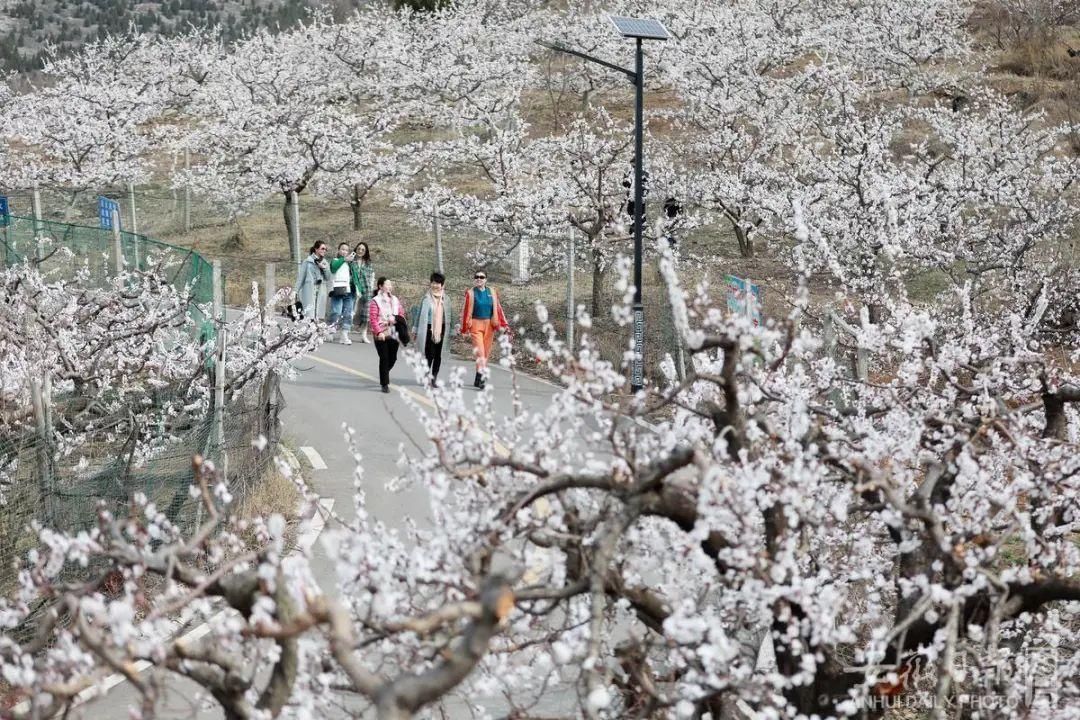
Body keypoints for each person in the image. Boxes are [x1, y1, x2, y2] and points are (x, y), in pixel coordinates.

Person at [459, 270, 509, 389]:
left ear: (486, 279)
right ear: (474, 279)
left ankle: (477, 378)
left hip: (489, 325)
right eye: (477, 277)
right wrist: (464, 328)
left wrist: (504, 324)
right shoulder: (471, 293)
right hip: (476, 325)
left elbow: (498, 309)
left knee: (485, 354)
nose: (479, 279)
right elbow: (465, 311)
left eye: (482, 277)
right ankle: (481, 379)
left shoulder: (492, 292)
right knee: (480, 352)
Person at [413, 272, 452, 387]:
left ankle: (434, 378)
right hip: (428, 328)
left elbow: (450, 314)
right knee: (429, 354)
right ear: (431, 283)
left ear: (442, 285)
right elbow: (419, 314)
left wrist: (454, 329)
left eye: (438, 283)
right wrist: (415, 329)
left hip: (442, 329)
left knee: (438, 355)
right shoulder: (426, 298)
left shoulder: (447, 299)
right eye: (433, 283)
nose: (435, 285)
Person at [369, 277, 405, 393]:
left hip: (394, 332)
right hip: (381, 334)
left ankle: (384, 373)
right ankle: (384, 383)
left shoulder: (395, 300)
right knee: (384, 358)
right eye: (387, 284)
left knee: (393, 358)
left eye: (390, 285)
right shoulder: (375, 301)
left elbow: (401, 314)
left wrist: (397, 320)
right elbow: (373, 319)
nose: (389, 287)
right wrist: (378, 332)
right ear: (380, 286)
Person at [327, 242, 361, 344]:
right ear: (338, 250)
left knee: (348, 313)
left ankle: (344, 335)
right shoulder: (335, 260)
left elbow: (355, 277)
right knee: (336, 311)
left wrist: (359, 289)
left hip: (349, 291)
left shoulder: (351, 263)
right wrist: (344, 259)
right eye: (342, 249)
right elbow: (333, 268)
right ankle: (330, 330)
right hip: (338, 290)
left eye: (346, 250)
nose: (344, 251)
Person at [294, 241, 330, 320]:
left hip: (320, 291)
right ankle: (309, 330)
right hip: (309, 290)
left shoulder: (325, 263)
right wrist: (295, 292)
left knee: (318, 316)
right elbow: (301, 278)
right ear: (316, 249)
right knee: (309, 315)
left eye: (325, 249)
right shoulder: (307, 262)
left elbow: (328, 277)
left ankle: (314, 330)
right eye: (322, 248)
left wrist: (324, 268)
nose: (324, 251)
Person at [351, 241, 375, 343]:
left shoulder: (368, 263)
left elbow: (372, 277)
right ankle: (344, 331)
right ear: (356, 249)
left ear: (366, 252)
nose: (360, 251)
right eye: (359, 249)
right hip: (353, 288)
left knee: (366, 313)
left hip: (366, 290)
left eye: (363, 250)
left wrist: (371, 288)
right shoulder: (351, 261)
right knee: (351, 311)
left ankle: (363, 334)